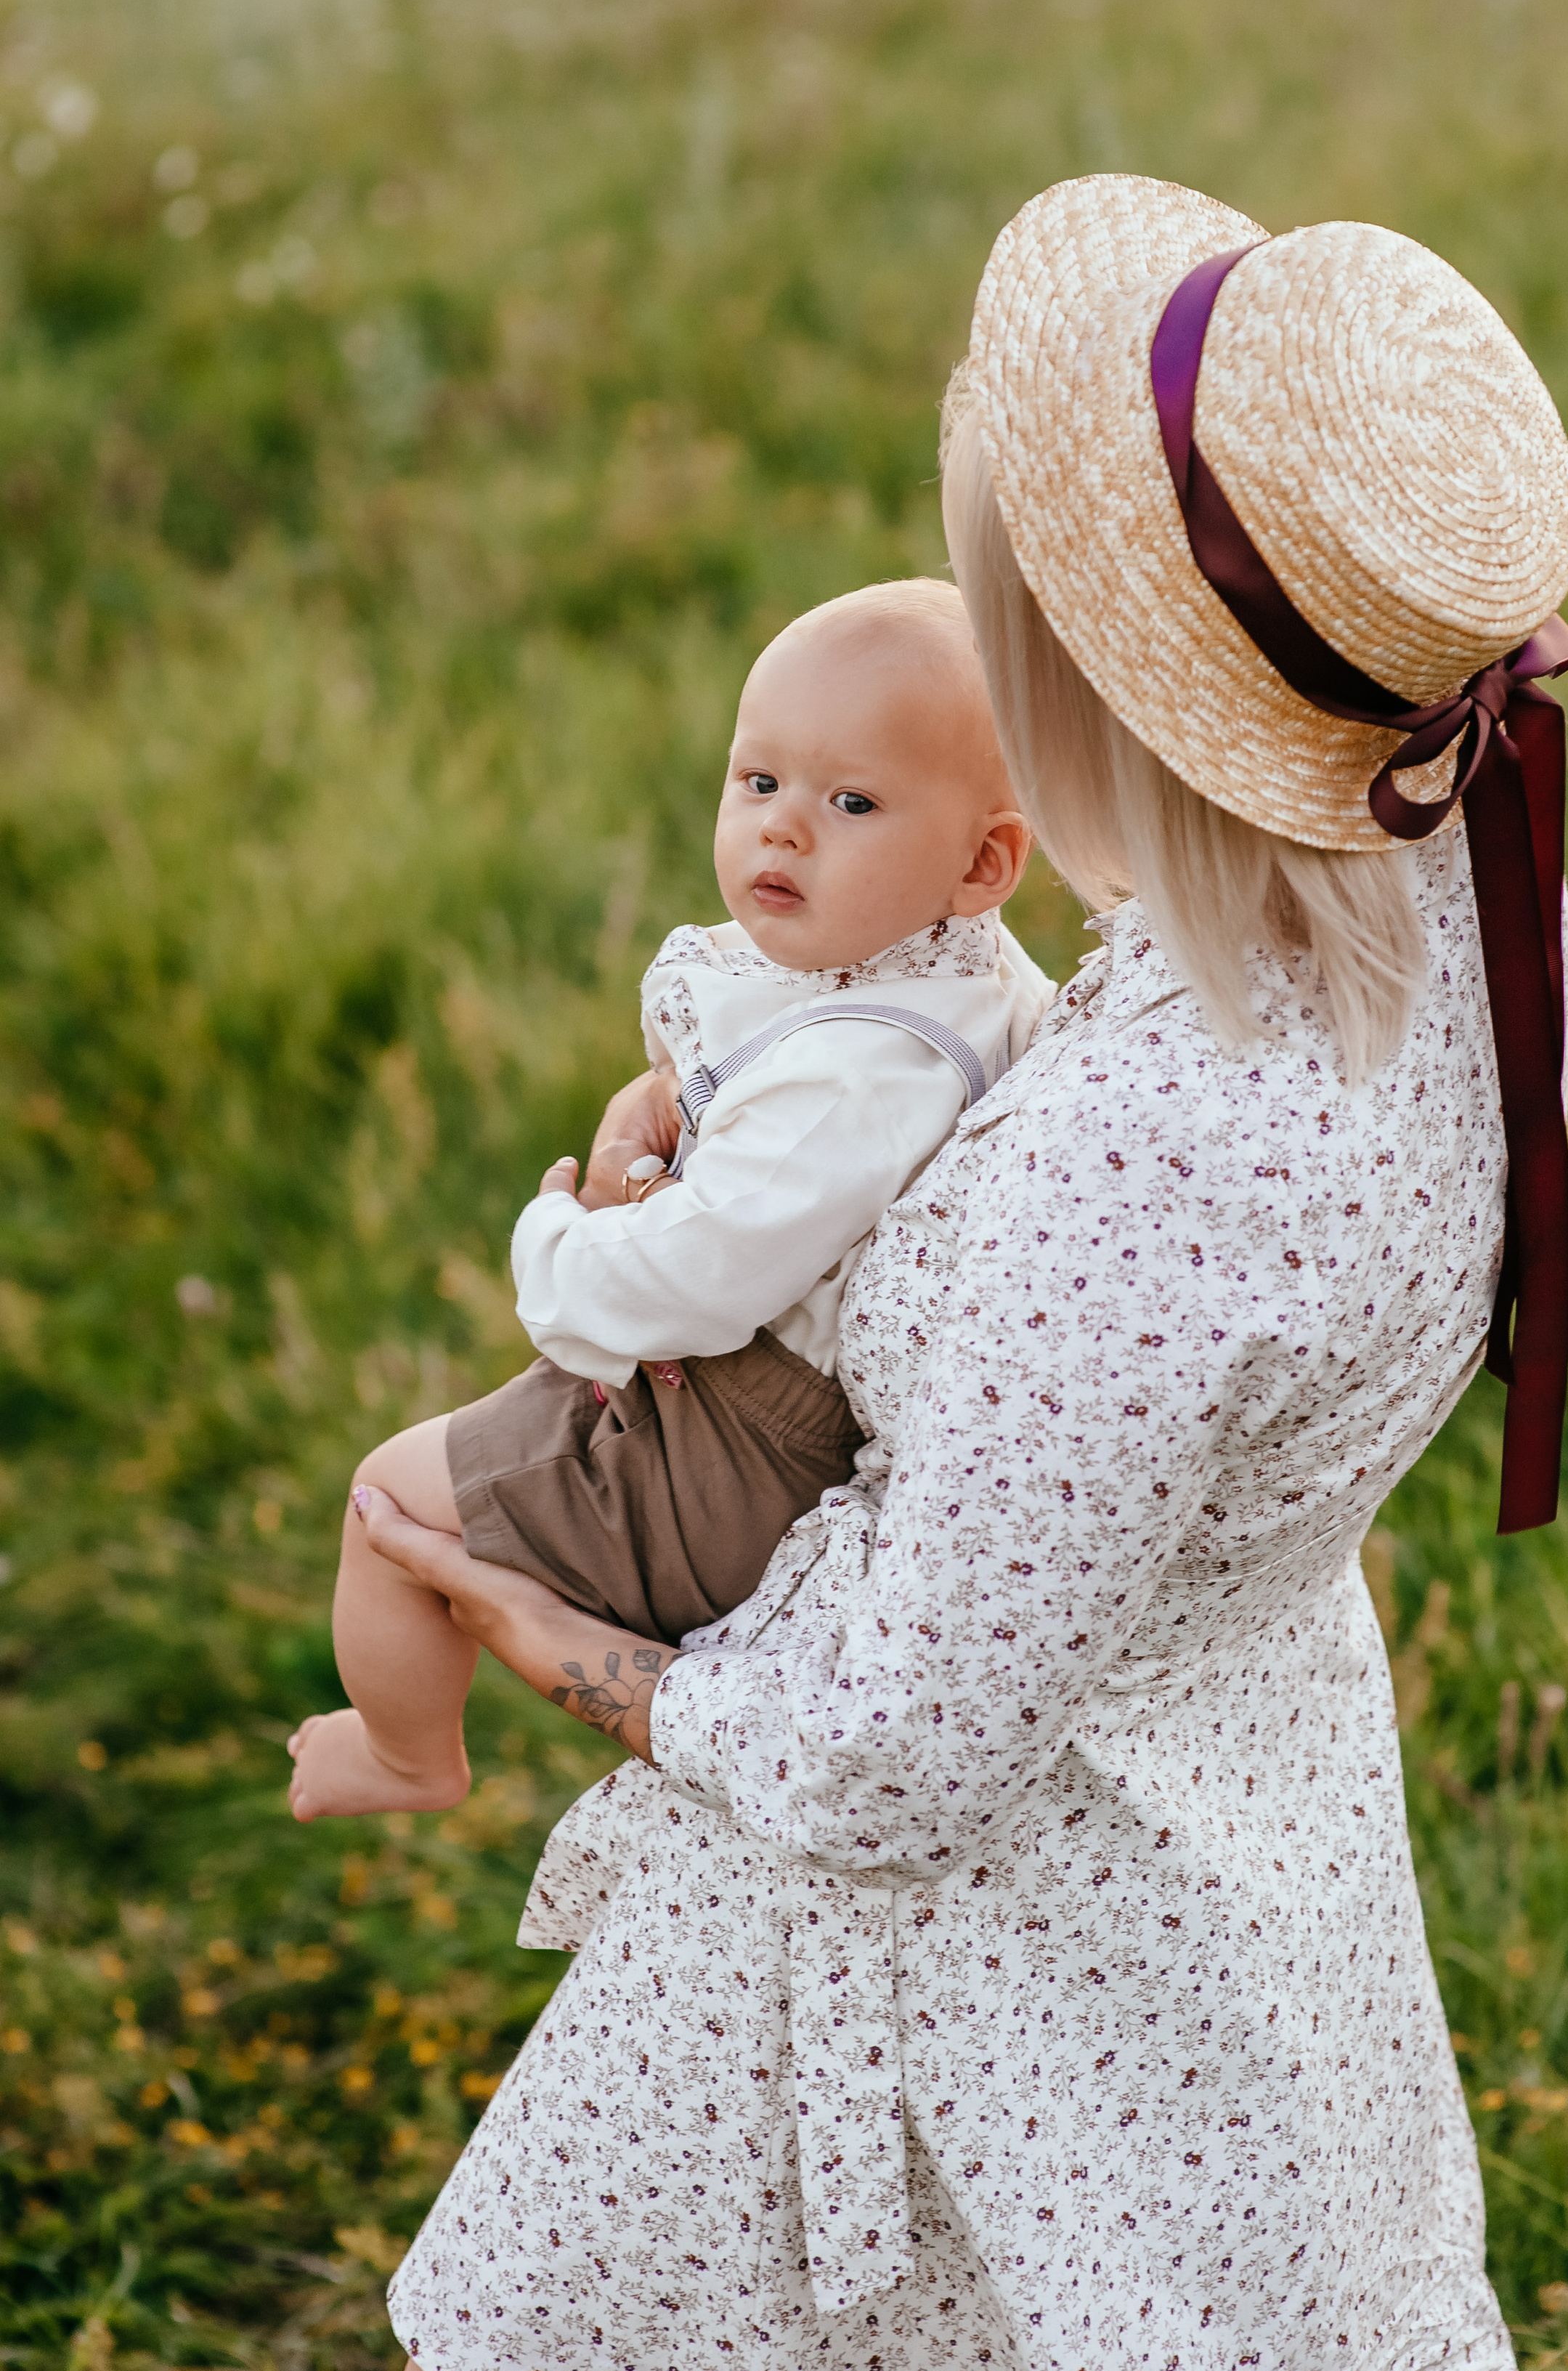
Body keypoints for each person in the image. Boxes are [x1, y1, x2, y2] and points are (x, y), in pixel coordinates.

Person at [343, 174, 1568, 2371]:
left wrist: (555, 1632)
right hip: (1240, 1844)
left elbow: (892, 1755)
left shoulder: (1132, 1181)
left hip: (915, 1925)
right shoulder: (1442, 872)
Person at [286, 580, 1047, 1821]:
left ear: (983, 861)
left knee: (389, 1505)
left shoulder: (867, 1074)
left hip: (734, 1443)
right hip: (738, 1388)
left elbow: (682, 1281)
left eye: (851, 802)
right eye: (759, 784)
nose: (784, 833)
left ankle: (405, 1753)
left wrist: (565, 1239)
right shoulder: (940, 964)